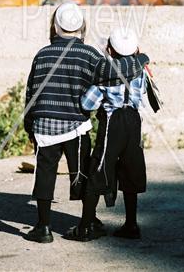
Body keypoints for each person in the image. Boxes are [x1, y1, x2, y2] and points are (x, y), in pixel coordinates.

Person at [24, 3, 149, 243]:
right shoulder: (91, 55)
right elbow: (117, 71)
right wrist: (140, 57)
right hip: (77, 127)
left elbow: (31, 93)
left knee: (45, 173)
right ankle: (88, 220)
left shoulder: (41, 54)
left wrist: (30, 126)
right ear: (82, 26)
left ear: (55, 26)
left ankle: (43, 227)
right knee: (81, 172)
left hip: (44, 128)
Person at [64, 27, 153, 242]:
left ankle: (85, 227)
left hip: (112, 122)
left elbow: (88, 103)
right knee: (131, 170)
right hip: (133, 121)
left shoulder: (105, 73)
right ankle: (131, 225)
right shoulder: (141, 70)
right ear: (135, 50)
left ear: (110, 50)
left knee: (98, 169)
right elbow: (144, 96)